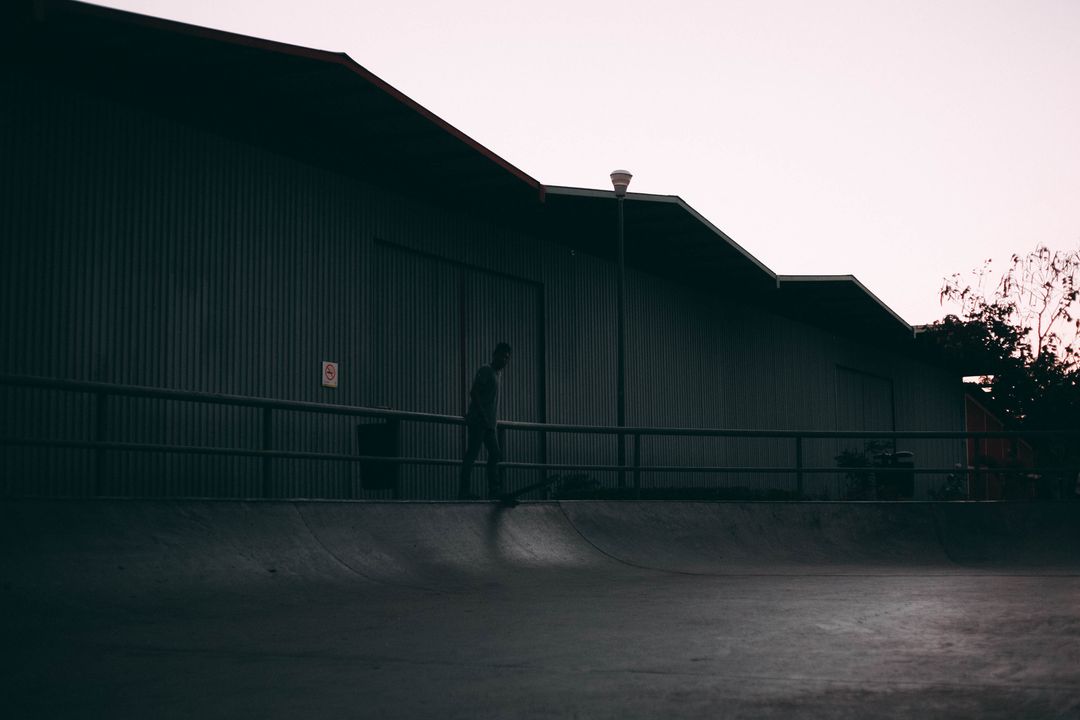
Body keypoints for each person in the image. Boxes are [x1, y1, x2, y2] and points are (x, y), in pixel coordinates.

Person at [459, 342, 511, 500]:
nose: (504, 360)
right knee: (472, 454)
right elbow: (474, 392)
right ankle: (464, 491)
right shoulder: (486, 370)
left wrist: (491, 422)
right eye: (502, 356)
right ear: (494, 355)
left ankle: (494, 490)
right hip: (478, 421)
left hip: (489, 424)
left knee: (495, 454)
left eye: (507, 358)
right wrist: (482, 415)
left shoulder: (497, 374)